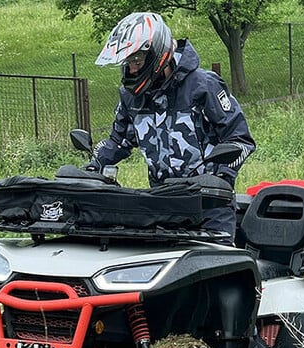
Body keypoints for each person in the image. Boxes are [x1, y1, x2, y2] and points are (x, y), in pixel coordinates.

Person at [90, 12, 256, 244]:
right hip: (161, 203)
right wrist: (92, 165)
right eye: (128, 63)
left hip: (209, 205)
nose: (133, 70)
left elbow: (241, 140)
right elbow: (118, 141)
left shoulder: (203, 86)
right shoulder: (130, 97)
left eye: (137, 61)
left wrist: (221, 177)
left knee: (214, 270)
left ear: (157, 54)